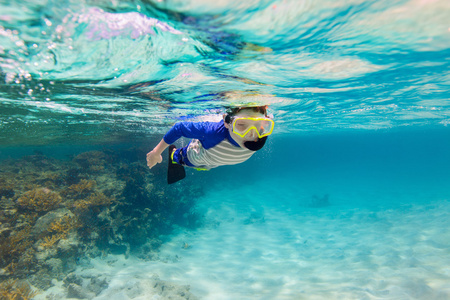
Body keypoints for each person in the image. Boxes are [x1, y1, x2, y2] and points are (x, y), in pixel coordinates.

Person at [146, 105, 274, 184]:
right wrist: (156, 152)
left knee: (207, 166)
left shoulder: (261, 136)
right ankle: (174, 154)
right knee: (185, 160)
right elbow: (179, 128)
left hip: (215, 160)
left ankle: (206, 165)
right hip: (196, 155)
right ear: (226, 122)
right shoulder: (213, 132)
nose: (251, 135)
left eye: (259, 126)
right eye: (241, 125)